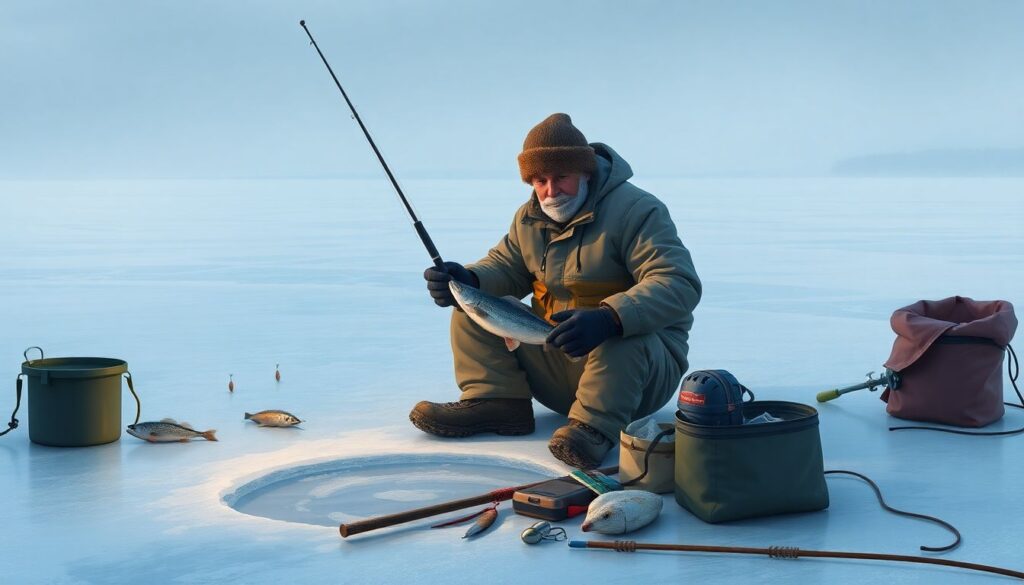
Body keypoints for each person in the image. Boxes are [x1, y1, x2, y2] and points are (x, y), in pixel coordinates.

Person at [410, 113, 702, 469]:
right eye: (539, 180)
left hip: (637, 379)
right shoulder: (528, 218)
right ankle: (498, 402)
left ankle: (594, 429)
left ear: (585, 171)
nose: (550, 191)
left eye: (561, 177)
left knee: (625, 333)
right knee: (474, 308)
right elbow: (505, 266)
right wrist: (469, 279)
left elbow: (678, 282)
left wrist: (609, 318)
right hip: (557, 357)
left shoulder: (637, 211)